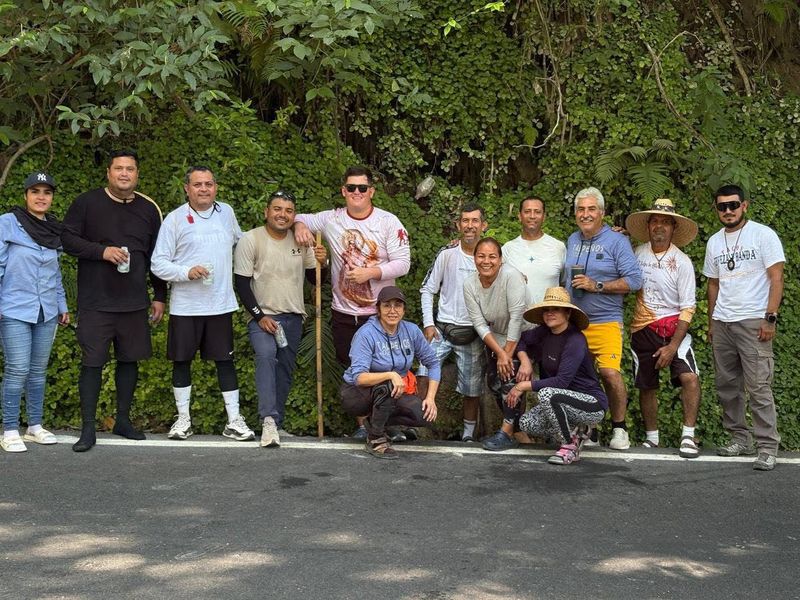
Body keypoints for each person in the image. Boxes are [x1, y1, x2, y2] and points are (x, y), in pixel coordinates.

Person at [293, 166, 411, 439]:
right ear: (343, 191)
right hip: (344, 311)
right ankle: (362, 425)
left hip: (379, 312)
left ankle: (386, 423)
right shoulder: (332, 219)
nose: (356, 193)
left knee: (387, 367)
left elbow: (403, 264)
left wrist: (371, 272)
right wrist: (300, 227)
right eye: (351, 188)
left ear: (371, 191)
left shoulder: (388, 222)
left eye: (362, 188)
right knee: (355, 368)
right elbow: (300, 217)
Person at [62, 150, 167, 452]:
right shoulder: (86, 203)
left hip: (134, 303)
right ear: (108, 172)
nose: (124, 173)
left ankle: (122, 420)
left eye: (130, 169)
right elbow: (67, 240)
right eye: (119, 168)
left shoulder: (149, 209)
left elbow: (155, 257)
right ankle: (87, 429)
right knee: (92, 363)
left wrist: (159, 295)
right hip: (96, 301)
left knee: (129, 360)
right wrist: (101, 251)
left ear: (137, 174)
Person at [151, 166, 254, 442]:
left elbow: (242, 243)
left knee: (225, 362)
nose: (204, 189)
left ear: (216, 187)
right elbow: (158, 263)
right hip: (186, 306)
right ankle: (183, 420)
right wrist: (186, 272)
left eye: (209, 184)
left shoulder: (227, 213)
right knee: (182, 361)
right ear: (187, 188)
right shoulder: (174, 220)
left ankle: (234, 420)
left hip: (221, 304)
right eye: (198, 184)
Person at [233, 190, 327, 447]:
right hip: (262, 317)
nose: (282, 215)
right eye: (277, 209)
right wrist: (259, 316)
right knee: (266, 358)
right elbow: (241, 284)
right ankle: (268, 421)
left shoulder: (301, 240)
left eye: (288, 211)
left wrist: (323, 262)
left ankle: (278, 422)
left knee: (285, 370)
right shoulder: (251, 239)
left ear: (294, 215)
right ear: (266, 212)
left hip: (293, 317)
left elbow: (315, 280)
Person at [703, 184, 785, 471]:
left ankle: (767, 446)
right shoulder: (714, 242)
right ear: (717, 209)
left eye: (733, 205)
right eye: (722, 206)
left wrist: (770, 317)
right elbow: (713, 283)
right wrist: (712, 321)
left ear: (744, 206)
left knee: (758, 386)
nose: (728, 211)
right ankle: (740, 438)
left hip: (753, 321)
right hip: (723, 322)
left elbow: (776, 278)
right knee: (727, 386)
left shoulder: (763, 234)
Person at [566, 187, 642, 450]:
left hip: (606, 320)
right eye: (581, 209)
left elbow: (634, 281)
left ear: (602, 212)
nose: (585, 214)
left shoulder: (617, 241)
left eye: (591, 209)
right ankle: (590, 429)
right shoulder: (572, 240)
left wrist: (596, 285)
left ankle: (620, 429)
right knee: (580, 377)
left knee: (610, 374)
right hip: (576, 322)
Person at [0, 172, 70, 452]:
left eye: (47, 192)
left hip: (47, 311)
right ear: (26, 195)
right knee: (17, 369)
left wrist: (62, 306)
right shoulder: (7, 223)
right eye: (35, 191)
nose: (41, 197)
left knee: (38, 371)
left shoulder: (54, 229)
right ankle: (8, 430)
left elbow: (55, 275)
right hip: (14, 308)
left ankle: (35, 426)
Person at [625, 199, 700, 458]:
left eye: (665, 222)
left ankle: (688, 435)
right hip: (642, 327)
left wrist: (673, 346)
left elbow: (688, 307)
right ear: (648, 226)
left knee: (689, 378)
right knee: (647, 385)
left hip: (673, 328)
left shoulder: (682, 262)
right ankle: (652, 438)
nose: (659, 226)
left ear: (673, 227)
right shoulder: (637, 253)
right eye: (655, 221)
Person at [509, 287, 608, 465]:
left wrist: (522, 386)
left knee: (547, 394)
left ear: (568, 313)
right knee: (527, 423)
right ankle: (577, 432)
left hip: (591, 404)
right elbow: (521, 339)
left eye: (556, 309)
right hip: (561, 402)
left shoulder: (575, 340)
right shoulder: (544, 332)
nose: (550, 313)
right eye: (546, 309)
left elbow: (561, 382)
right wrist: (525, 360)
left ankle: (569, 446)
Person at [341, 286, 439, 459]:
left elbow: (433, 363)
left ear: (404, 310)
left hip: (391, 392)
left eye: (398, 306)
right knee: (387, 383)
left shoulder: (411, 331)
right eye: (387, 305)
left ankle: (374, 423)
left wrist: (430, 398)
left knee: (423, 415)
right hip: (356, 394)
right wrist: (391, 375)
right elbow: (359, 378)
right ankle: (375, 439)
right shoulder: (366, 334)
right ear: (378, 309)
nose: (392, 311)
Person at [417, 203, 487, 442]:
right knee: (423, 373)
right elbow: (428, 289)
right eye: (465, 220)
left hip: (473, 332)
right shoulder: (447, 255)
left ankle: (468, 434)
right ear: (458, 225)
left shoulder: (490, 258)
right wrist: (428, 323)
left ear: (484, 225)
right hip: (442, 329)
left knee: (472, 387)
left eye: (475, 220)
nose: (470, 226)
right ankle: (420, 425)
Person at [463, 238, 530, 451]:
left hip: (526, 334)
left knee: (509, 378)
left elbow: (517, 317)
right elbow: (479, 324)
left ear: (500, 260)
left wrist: (507, 354)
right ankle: (517, 432)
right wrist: (500, 353)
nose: (486, 261)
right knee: (494, 382)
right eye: (481, 256)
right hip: (497, 337)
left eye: (492, 256)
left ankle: (506, 432)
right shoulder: (469, 284)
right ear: (474, 259)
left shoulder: (511, 276)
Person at [502, 196, 565, 304]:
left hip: (549, 317)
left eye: (537, 212)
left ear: (544, 216)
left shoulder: (558, 247)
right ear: (519, 216)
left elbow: (564, 283)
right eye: (527, 211)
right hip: (517, 318)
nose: (532, 216)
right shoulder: (508, 249)